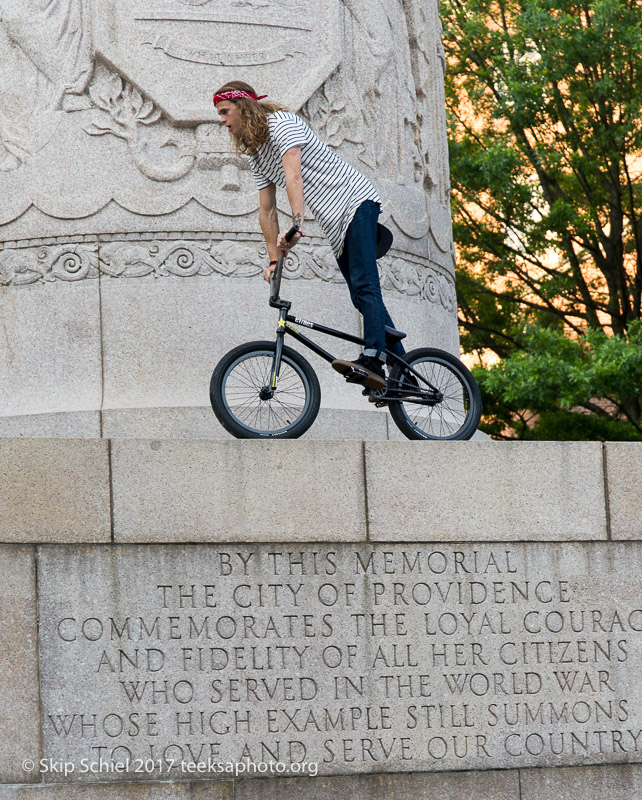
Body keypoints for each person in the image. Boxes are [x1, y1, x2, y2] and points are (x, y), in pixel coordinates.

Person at [213, 80, 405, 391]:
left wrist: (298, 223)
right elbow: (266, 211)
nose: (221, 120)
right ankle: (401, 374)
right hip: (334, 221)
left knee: (366, 285)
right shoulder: (256, 153)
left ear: (244, 108)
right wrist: (274, 261)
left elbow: (294, 174)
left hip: (354, 201)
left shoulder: (281, 124)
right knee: (360, 295)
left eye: (225, 112)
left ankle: (373, 360)